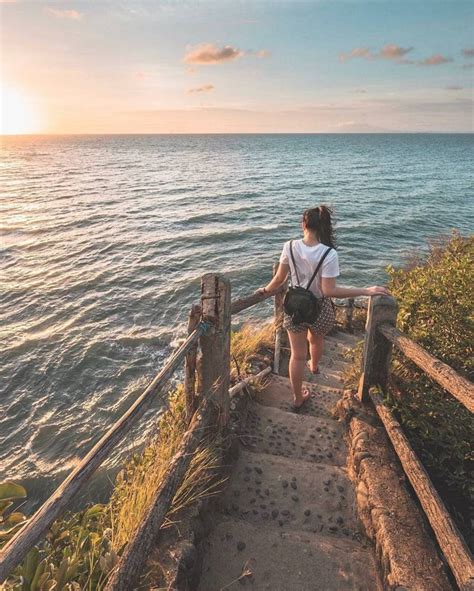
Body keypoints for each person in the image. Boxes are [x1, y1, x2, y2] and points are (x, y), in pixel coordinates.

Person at [257, 205, 390, 409]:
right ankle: (315, 365)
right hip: (319, 309)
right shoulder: (329, 254)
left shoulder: (289, 246)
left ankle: (297, 397)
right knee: (316, 339)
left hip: (294, 309)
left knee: (297, 355)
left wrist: (264, 291)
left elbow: (279, 279)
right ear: (324, 227)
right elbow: (328, 290)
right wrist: (365, 290)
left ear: (303, 224)